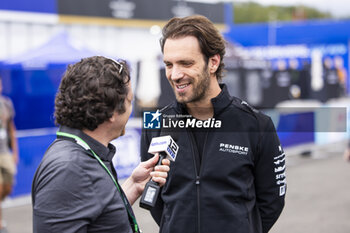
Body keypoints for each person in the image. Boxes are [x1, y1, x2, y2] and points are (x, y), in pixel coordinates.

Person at [140, 15, 286, 233]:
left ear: (213, 62)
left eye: (186, 63)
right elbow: (156, 200)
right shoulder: (156, 124)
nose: (175, 74)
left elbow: (272, 201)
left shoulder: (256, 124)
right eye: (169, 64)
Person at [32, 56, 170, 233]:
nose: (130, 109)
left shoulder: (82, 154)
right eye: (129, 101)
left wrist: (133, 185)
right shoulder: (69, 168)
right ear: (112, 110)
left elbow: (100, 219)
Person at [0, 76, 18, 233]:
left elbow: (12, 129)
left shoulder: (6, 104)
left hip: (5, 151)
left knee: (8, 186)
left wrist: (15, 152)